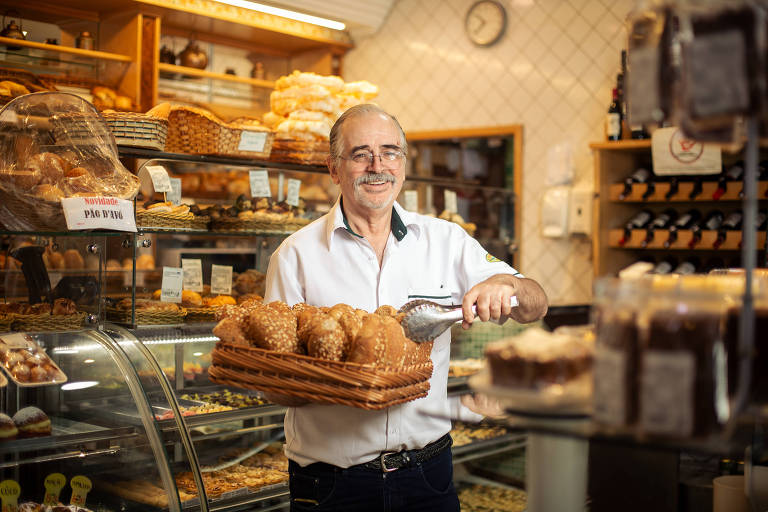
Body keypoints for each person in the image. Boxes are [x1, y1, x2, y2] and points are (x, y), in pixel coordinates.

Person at [264, 103, 548, 511]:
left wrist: (505, 284)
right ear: (334, 168)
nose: (377, 165)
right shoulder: (295, 256)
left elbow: (536, 302)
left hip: (427, 477)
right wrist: (339, 378)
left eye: (390, 152)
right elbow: (278, 385)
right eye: (360, 153)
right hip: (332, 484)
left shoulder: (446, 241)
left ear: (403, 162)